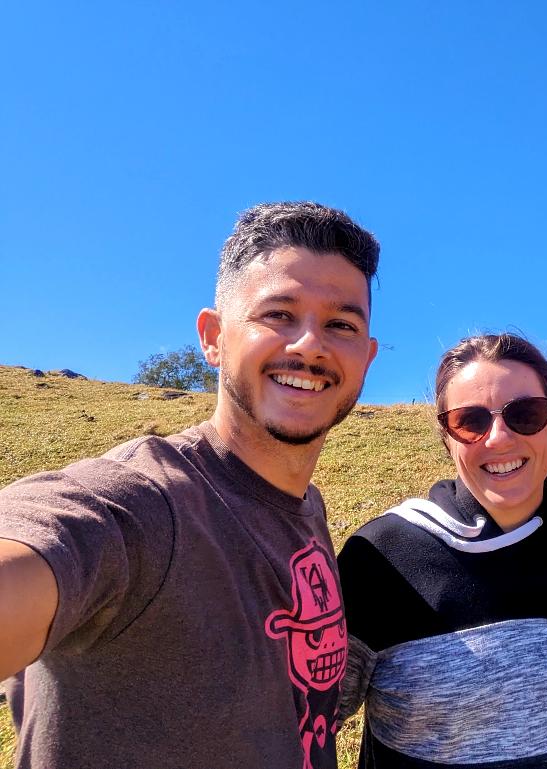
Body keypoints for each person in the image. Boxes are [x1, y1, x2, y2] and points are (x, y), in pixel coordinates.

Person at [0, 201, 380, 769]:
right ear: (213, 337)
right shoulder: (141, 502)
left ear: (366, 357)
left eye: (341, 325)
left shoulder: (306, 510)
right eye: (278, 314)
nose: (309, 344)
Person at [337, 333, 547, 768]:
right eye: (471, 421)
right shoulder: (380, 557)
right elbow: (301, 724)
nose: (498, 438)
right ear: (447, 438)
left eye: (526, 414)